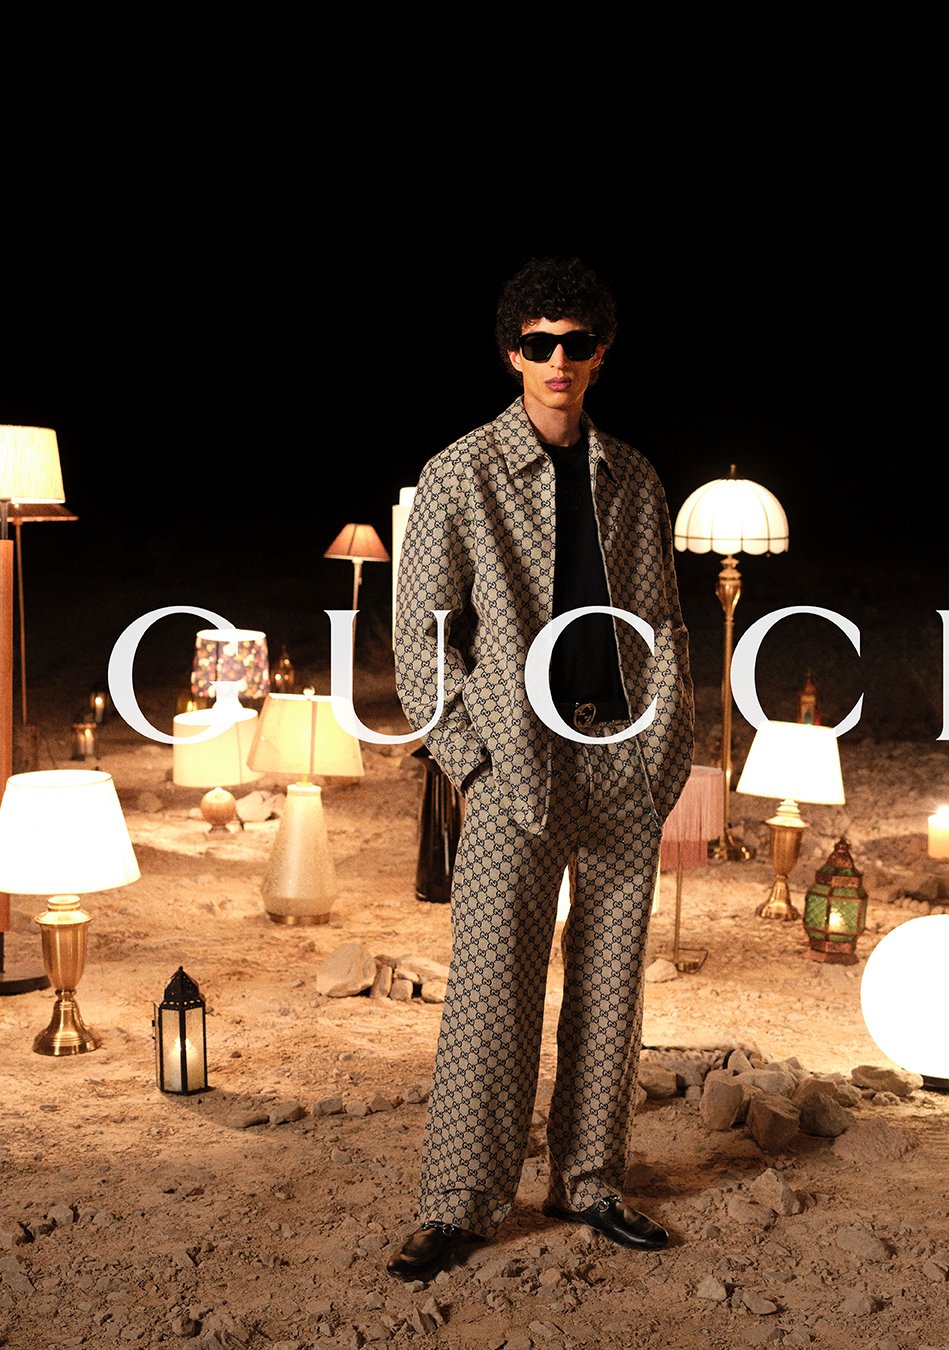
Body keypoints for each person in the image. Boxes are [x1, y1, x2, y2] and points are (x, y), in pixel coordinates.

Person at [388, 256, 694, 1281]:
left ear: (601, 355)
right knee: (491, 990)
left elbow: (663, 627)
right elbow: (424, 641)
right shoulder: (459, 475)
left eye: (576, 343)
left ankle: (591, 1182)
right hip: (511, 765)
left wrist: (661, 756)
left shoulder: (634, 479)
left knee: (611, 987)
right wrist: (471, 762)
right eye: (538, 343)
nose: (557, 360)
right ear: (512, 353)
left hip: (620, 760)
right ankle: (459, 1204)